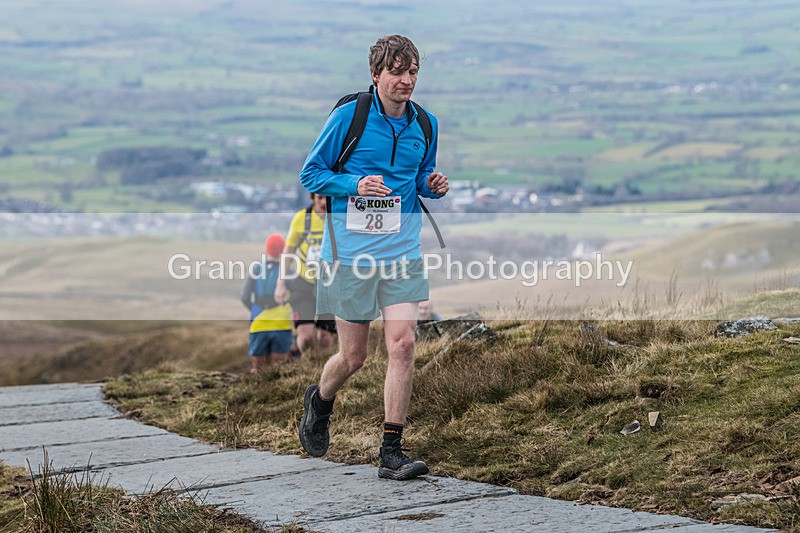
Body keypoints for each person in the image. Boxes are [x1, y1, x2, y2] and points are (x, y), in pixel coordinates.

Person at [297, 34, 449, 481]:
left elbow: (419, 176)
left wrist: (432, 185)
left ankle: (391, 450)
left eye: (413, 71)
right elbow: (312, 172)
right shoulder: (351, 117)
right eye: (397, 72)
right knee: (354, 357)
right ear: (376, 75)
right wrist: (355, 185)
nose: (407, 80)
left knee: (402, 343)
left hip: (401, 251)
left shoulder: (426, 123)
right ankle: (320, 402)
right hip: (350, 254)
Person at [274, 192, 337, 357]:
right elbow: (288, 250)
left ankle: (321, 368)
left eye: (327, 198)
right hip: (303, 282)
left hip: (330, 284)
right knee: (306, 335)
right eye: (319, 198)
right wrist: (280, 284)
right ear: (313, 198)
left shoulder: (338, 218)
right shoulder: (302, 219)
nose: (323, 202)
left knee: (325, 337)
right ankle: (306, 362)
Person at [240, 233, 293, 374]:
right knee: (279, 367)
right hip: (281, 323)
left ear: (267, 249)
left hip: (258, 322)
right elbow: (296, 297)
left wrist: (256, 310)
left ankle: (256, 393)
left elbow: (244, 297)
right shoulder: (289, 272)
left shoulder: (256, 270)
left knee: (258, 368)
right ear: (283, 249)